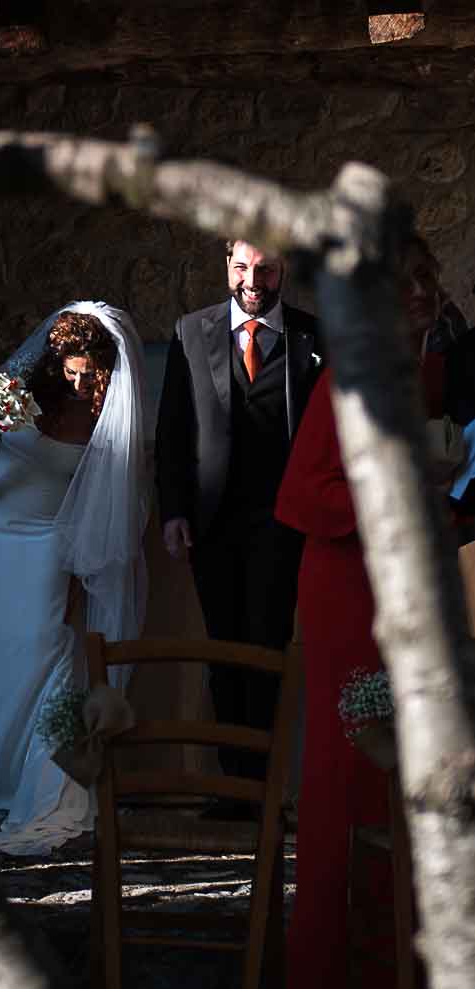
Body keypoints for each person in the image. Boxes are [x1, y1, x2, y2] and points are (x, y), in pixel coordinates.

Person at [275, 235, 458, 988]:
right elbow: (296, 495)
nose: (418, 291)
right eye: (403, 281)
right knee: (348, 770)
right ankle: (325, 959)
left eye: (426, 277)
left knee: (402, 773)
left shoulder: (428, 371)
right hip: (346, 591)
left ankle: (391, 952)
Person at [0, 301, 152, 854]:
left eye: (89, 376)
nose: (79, 386)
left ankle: (35, 782)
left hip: (49, 536)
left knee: (46, 643)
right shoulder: (24, 388)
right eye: (71, 373)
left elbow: (113, 498)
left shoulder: (111, 417)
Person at [155, 239, 321, 798]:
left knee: (268, 648)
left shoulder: (312, 338)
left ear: (283, 271)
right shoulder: (189, 331)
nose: (255, 280)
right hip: (212, 521)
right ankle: (235, 790)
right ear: (227, 265)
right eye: (244, 267)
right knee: (224, 649)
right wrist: (174, 510)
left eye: (268, 269)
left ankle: (266, 789)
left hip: (284, 522)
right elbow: (173, 432)